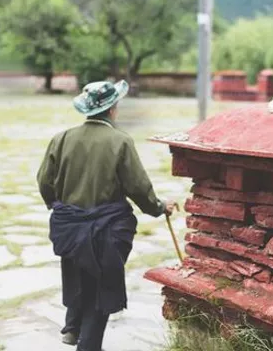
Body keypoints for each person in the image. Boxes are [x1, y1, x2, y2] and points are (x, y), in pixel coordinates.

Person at [37, 80, 177, 351]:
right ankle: (85, 343)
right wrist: (159, 207)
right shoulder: (120, 141)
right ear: (113, 108)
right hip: (106, 231)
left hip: (70, 228)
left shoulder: (61, 139)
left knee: (77, 274)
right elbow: (138, 188)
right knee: (99, 293)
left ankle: (72, 325)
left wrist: (61, 207)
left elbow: (44, 181)